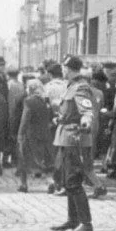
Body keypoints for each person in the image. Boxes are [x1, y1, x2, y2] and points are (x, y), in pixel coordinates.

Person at [49, 56, 95, 231]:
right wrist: (59, 118)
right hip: (64, 137)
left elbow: (86, 111)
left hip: (74, 138)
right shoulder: (70, 85)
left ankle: (86, 224)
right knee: (67, 180)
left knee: (74, 180)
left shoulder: (81, 87)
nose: (63, 70)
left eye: (65, 67)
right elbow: (69, 110)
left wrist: (86, 122)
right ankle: (73, 219)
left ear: (73, 69)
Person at [16, 79, 54, 193]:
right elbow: (51, 116)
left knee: (23, 158)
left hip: (30, 134)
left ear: (30, 89)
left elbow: (25, 118)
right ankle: (51, 182)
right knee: (45, 160)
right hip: (45, 134)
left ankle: (23, 184)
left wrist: (20, 133)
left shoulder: (28, 101)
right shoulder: (45, 101)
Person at [44, 63, 68, 195]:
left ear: (50, 74)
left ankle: (56, 181)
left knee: (53, 153)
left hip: (52, 123)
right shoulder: (67, 86)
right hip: (65, 120)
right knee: (63, 153)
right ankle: (61, 180)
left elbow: (46, 106)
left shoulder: (48, 87)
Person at [5, 68, 25, 168]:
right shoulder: (21, 85)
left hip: (9, 113)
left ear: (8, 75)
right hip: (19, 114)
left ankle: (6, 159)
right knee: (16, 137)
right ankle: (15, 159)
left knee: (9, 137)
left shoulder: (8, 84)